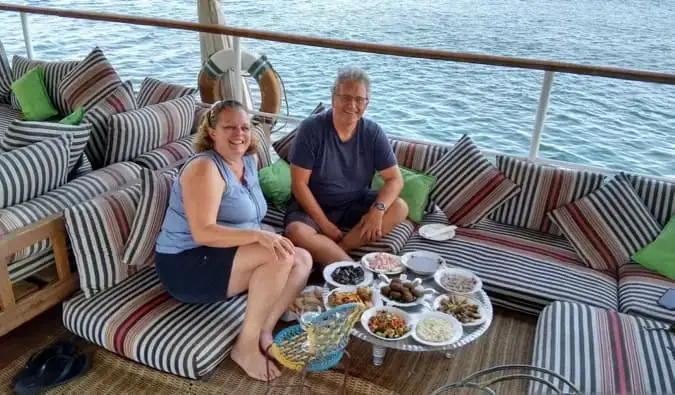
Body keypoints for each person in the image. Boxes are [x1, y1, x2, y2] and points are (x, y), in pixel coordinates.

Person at [154, 100, 312, 382]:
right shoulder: (205, 168)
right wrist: (259, 236)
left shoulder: (248, 160)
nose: (239, 134)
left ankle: (265, 331)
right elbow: (203, 232)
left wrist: (263, 236)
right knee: (278, 255)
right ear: (212, 132)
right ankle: (245, 347)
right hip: (187, 263)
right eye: (229, 127)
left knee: (302, 259)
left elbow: (247, 218)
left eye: (244, 127)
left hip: (224, 252)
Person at [284, 66, 408, 268]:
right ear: (333, 99)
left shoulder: (372, 132)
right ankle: (353, 268)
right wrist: (325, 225)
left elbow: (395, 179)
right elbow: (299, 185)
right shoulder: (311, 129)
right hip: (312, 205)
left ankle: (338, 251)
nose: (352, 105)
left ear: (366, 104)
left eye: (359, 99)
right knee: (296, 232)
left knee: (399, 207)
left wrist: (377, 210)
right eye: (346, 97)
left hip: (354, 203)